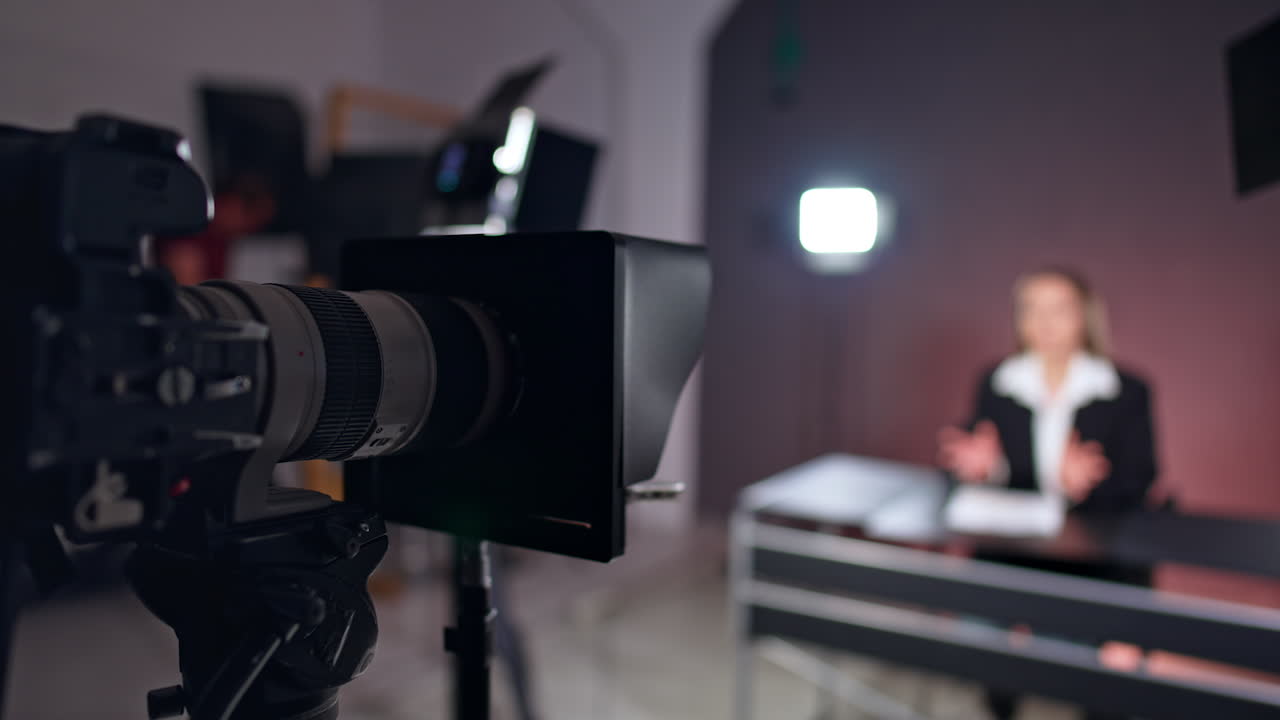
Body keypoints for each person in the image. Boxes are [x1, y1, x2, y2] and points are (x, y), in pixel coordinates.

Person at [937, 267, 1158, 720]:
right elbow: (981, 449)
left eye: (1058, 309)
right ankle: (1000, 701)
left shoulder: (1126, 390)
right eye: (1030, 310)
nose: (1044, 322)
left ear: (1085, 317)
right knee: (980, 637)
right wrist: (984, 467)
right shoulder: (998, 381)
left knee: (1067, 654)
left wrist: (1082, 486)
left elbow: (1141, 478)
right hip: (1012, 552)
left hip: (1087, 558)